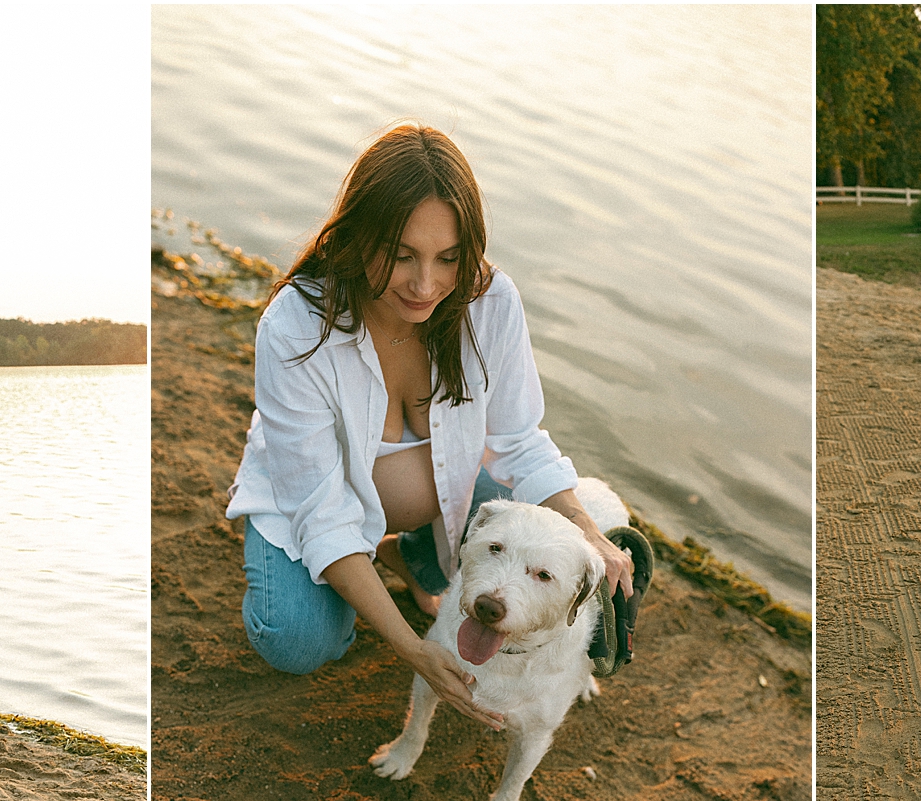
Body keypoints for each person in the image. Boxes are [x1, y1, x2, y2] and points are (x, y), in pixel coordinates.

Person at [225, 122, 633, 729]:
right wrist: (412, 647)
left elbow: (520, 439)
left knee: (536, 541)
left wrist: (586, 528)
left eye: (448, 259)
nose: (425, 285)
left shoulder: (489, 302)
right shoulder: (295, 327)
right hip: (308, 504)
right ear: (361, 237)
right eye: (402, 255)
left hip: (447, 498)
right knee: (297, 644)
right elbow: (321, 508)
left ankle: (407, 554)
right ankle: (336, 570)